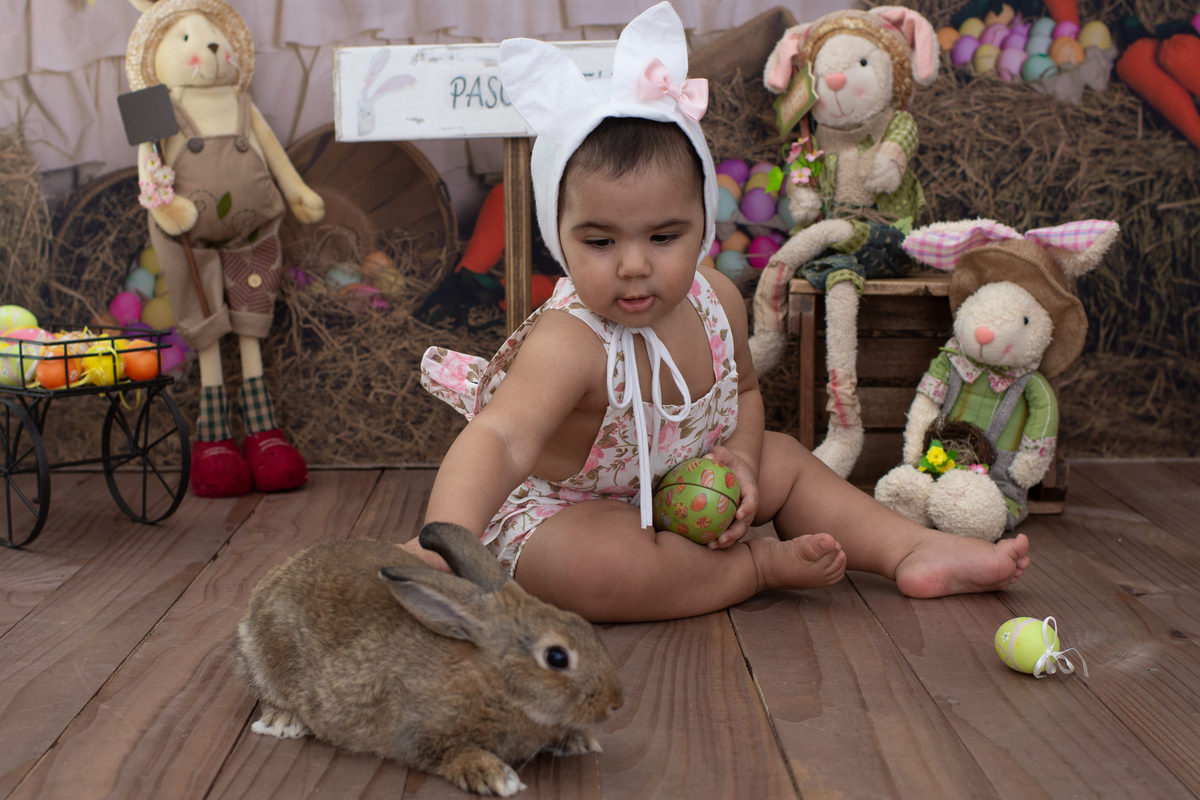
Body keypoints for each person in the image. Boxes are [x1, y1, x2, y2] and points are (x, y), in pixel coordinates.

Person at [407, 3, 1030, 623]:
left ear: (704, 225)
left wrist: (743, 458)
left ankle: (909, 547)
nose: (632, 265)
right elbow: (499, 439)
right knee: (602, 571)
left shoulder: (717, 302)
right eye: (599, 242)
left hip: (686, 482)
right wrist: (446, 541)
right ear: (558, 237)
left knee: (790, 461)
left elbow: (747, 394)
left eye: (663, 237)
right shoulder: (569, 342)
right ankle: (755, 568)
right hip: (570, 507)